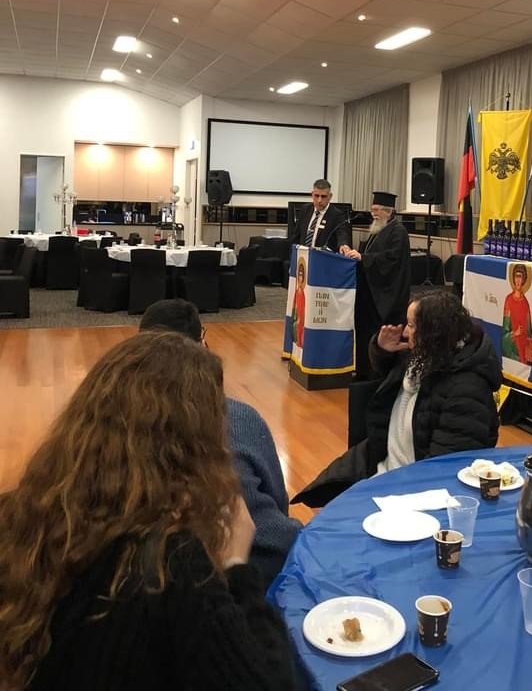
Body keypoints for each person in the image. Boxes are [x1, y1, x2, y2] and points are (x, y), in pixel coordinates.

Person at [0, 333, 299, 691]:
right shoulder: (173, 567)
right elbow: (272, 683)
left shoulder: (17, 515)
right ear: (199, 447)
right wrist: (238, 567)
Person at [139, 300, 301, 589]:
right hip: (255, 572)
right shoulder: (239, 419)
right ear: (202, 344)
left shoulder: (101, 430)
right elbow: (277, 502)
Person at [292, 290, 502, 508]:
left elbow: (442, 469)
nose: (405, 333)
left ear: (433, 332)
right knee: (328, 500)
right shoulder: (430, 355)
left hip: (412, 488)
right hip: (384, 464)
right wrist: (382, 351)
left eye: (411, 325)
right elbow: (389, 378)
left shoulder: (466, 390)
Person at [340, 190, 411, 379]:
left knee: (377, 335)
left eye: (377, 210)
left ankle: (375, 374)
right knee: (364, 334)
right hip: (369, 292)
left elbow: (390, 260)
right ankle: (363, 371)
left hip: (386, 296)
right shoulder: (378, 229)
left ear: (389, 211)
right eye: (372, 209)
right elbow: (370, 254)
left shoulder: (398, 231)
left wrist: (363, 258)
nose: (374, 213)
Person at [288, 178, 351, 252]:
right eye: (316, 196)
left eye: (323, 196)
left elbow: (342, 233)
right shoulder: (305, 209)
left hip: (323, 256)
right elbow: (296, 236)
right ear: (312, 194)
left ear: (330, 196)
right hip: (302, 255)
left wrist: (343, 245)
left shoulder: (337, 215)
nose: (319, 200)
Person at [502, 263, 532, 365]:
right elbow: (504, 330)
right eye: (516, 276)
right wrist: (514, 334)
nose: (517, 280)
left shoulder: (525, 303)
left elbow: (529, 330)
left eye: (520, 277)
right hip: (513, 345)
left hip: (524, 346)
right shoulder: (509, 300)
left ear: (524, 279)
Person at [291, 257, 306, 347]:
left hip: (301, 319)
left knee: (298, 325)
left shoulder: (303, 293)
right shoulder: (297, 291)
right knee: (294, 325)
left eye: (301, 275)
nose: (300, 278)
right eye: (299, 275)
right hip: (296, 317)